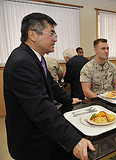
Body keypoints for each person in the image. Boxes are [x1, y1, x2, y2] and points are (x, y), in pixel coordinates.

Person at [3, 13, 95, 160]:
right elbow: (41, 108)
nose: (56, 39)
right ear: (32, 35)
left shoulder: (36, 57)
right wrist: (73, 140)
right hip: (30, 141)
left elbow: (51, 84)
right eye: (51, 34)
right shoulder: (22, 62)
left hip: (43, 132)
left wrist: (68, 100)